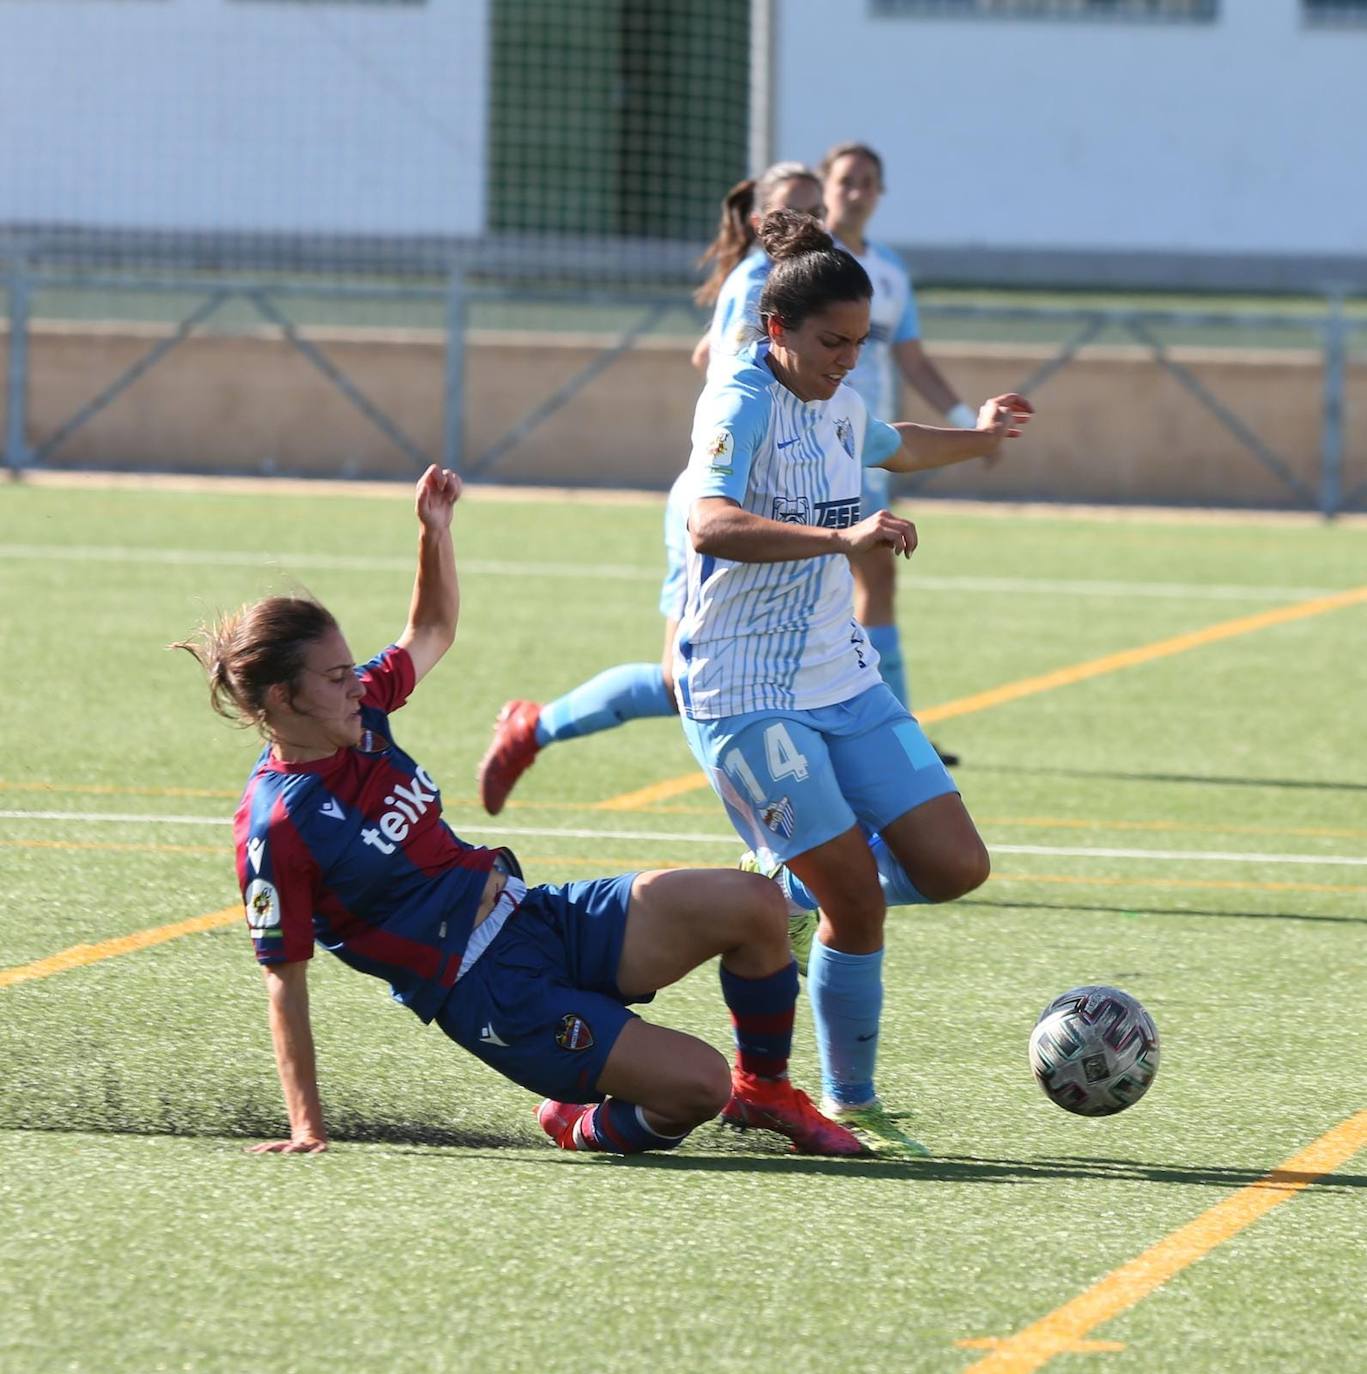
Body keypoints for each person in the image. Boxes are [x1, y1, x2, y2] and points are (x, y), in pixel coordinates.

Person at [174, 465, 863, 1158]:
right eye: (332, 678)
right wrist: (306, 1127)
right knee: (697, 1086)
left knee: (753, 902)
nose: (355, 684)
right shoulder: (278, 825)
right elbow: (284, 980)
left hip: (534, 916)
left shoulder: (362, 709)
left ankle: (768, 1094)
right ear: (285, 701)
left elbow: (431, 629)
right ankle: (580, 1122)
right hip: (488, 993)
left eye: (350, 668)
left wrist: (433, 532)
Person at [676, 210, 1031, 1158]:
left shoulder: (835, 401)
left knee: (956, 866)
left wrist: (978, 434)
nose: (847, 360)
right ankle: (849, 1101)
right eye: (832, 342)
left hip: (842, 677)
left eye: (859, 342)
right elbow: (708, 525)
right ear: (776, 329)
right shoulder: (737, 401)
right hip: (743, 691)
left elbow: (891, 440)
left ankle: (785, 893)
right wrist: (842, 538)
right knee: (859, 904)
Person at [475, 162, 823, 816]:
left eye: (818, 213)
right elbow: (735, 371)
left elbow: (705, 356)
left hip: (757, 489)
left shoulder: (766, 285)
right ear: (761, 223)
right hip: (728, 495)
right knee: (708, 681)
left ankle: (535, 726)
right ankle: (795, 838)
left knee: (720, 675)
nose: (813, 224)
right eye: (798, 212)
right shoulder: (761, 285)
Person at [818, 142, 983, 752]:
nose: (856, 192)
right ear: (825, 185)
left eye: (867, 182)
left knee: (875, 581)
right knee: (838, 582)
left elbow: (910, 357)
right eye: (845, 181)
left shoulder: (888, 271)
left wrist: (968, 424)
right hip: (812, 443)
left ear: (880, 194)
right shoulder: (809, 264)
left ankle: (888, 726)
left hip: (869, 446)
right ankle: (877, 728)